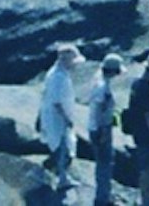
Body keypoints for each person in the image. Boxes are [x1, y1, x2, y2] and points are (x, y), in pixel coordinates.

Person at [34, 43, 88, 188]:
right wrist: (67, 118)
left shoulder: (58, 73)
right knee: (63, 149)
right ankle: (59, 178)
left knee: (63, 147)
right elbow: (57, 102)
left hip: (54, 116)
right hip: (57, 118)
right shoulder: (58, 77)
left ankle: (58, 176)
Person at [119, 51, 149, 197]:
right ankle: (146, 198)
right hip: (146, 135)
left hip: (137, 132)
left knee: (146, 166)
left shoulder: (136, 84)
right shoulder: (146, 89)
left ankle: (147, 193)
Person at [81, 58, 122, 205]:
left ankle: (104, 194)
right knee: (105, 163)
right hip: (101, 129)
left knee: (103, 162)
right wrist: (104, 131)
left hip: (95, 127)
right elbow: (101, 109)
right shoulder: (103, 87)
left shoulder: (98, 81)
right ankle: (102, 198)